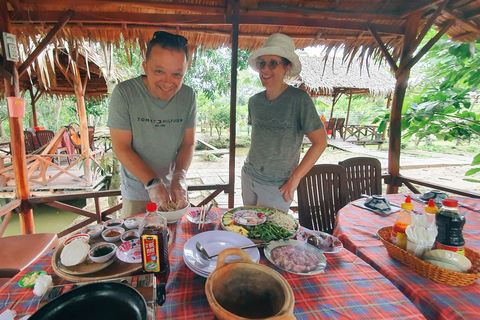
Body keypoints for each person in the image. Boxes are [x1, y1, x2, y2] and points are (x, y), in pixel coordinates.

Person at [108, 31, 196, 217]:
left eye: (177, 74)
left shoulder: (188, 96)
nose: (167, 82)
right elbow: (121, 146)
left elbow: (188, 143)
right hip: (136, 192)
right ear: (145, 67)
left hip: (173, 191)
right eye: (159, 71)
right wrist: (153, 184)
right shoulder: (124, 93)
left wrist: (179, 177)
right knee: (139, 243)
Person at [242, 33, 328, 212]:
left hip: (277, 186)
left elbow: (320, 142)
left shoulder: (299, 100)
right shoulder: (254, 101)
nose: (265, 69)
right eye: (262, 63)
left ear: (286, 67)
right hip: (249, 177)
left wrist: (294, 179)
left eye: (273, 63)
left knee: (270, 238)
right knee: (247, 231)